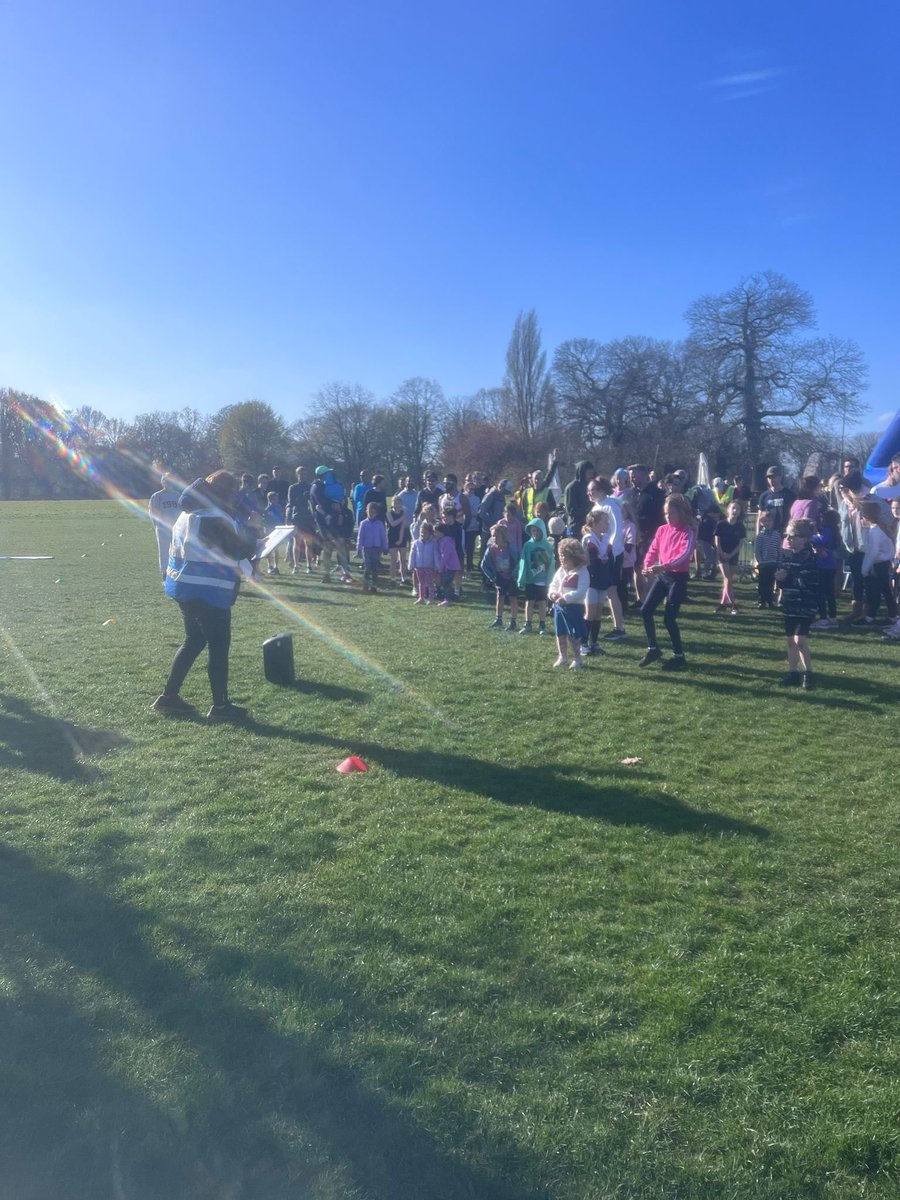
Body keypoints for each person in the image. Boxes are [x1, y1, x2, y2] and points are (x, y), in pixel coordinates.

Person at [153, 470, 258, 722]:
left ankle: (168, 697)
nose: (236, 498)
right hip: (209, 590)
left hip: (183, 587)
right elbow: (242, 549)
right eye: (234, 493)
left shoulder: (187, 513)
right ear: (225, 493)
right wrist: (253, 529)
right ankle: (220, 707)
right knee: (218, 646)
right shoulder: (216, 517)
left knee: (194, 640)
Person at [637, 493, 696, 671]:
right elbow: (653, 549)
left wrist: (663, 566)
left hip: (678, 578)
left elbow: (684, 555)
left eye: (671, 514)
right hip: (663, 577)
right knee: (645, 610)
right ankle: (653, 648)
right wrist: (647, 566)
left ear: (681, 513)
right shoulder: (662, 530)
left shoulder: (688, 532)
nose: (668, 517)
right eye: (666, 514)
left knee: (669, 618)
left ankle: (679, 655)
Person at [774, 518, 819, 688]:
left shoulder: (810, 558)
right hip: (790, 603)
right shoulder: (788, 557)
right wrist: (780, 580)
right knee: (790, 641)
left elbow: (808, 581)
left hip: (805, 604)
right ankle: (793, 672)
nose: (788, 539)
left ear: (804, 538)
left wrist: (789, 576)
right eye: (787, 536)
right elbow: (786, 581)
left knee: (799, 639)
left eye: (792, 536)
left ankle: (808, 673)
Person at [586, 476, 627, 639]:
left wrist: (610, 552)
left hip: (612, 554)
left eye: (592, 490)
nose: (589, 494)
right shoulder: (596, 506)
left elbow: (617, 530)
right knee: (604, 591)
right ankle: (600, 624)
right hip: (601, 554)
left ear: (602, 490)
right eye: (588, 491)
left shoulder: (611, 505)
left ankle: (619, 628)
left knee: (611, 591)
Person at [548, 537, 589, 669]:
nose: (562, 558)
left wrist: (566, 598)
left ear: (574, 557)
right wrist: (552, 594)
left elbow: (581, 590)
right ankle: (562, 656)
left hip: (574, 608)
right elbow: (553, 585)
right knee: (560, 633)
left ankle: (577, 658)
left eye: (565, 556)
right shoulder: (561, 571)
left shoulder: (582, 572)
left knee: (574, 634)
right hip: (559, 607)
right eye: (560, 555)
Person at [854, 500, 898, 626]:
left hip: (878, 565)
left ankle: (870, 617)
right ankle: (892, 615)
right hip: (883, 564)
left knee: (873, 592)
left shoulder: (875, 532)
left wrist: (864, 569)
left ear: (867, 517)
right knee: (886, 591)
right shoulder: (878, 529)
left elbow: (872, 553)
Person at [581, 508, 614, 656]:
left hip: (602, 580)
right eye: (604, 521)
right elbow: (591, 561)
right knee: (590, 613)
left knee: (598, 613)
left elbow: (609, 560)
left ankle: (594, 642)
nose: (607, 524)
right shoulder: (589, 539)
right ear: (594, 523)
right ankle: (583, 643)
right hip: (591, 581)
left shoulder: (605, 539)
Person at [517, 517, 553, 635]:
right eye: (533, 531)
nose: (536, 533)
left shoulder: (547, 545)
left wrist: (550, 579)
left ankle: (542, 625)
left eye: (538, 531)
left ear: (542, 531)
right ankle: (528, 624)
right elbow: (523, 562)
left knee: (542, 602)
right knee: (529, 602)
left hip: (542, 580)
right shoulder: (527, 545)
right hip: (530, 579)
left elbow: (551, 563)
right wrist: (521, 578)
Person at [481, 524, 520, 630]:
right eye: (493, 536)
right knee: (500, 597)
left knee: (513, 598)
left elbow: (519, 562)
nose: (494, 538)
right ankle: (498, 619)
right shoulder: (491, 550)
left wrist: (515, 575)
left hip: (511, 577)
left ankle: (513, 621)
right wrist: (492, 577)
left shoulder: (511, 549)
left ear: (504, 537)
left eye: (496, 536)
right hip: (499, 577)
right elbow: (483, 565)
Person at [810, 509, 841, 630]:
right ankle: (833, 617)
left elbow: (820, 540)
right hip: (830, 565)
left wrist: (811, 535)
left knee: (821, 592)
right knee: (829, 593)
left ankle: (823, 618)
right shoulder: (832, 531)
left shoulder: (827, 531)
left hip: (824, 565)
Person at [715, 501, 746, 615]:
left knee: (727, 581)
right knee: (728, 579)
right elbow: (717, 541)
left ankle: (722, 604)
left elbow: (740, 543)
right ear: (728, 510)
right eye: (733, 508)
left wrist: (732, 554)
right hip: (722, 555)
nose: (735, 511)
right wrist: (721, 553)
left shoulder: (740, 526)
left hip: (733, 555)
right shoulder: (721, 524)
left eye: (737, 509)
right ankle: (734, 605)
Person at [148, 473, 182, 578]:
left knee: (177, 550)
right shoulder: (157, 496)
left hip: (176, 528)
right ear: (162, 482)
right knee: (164, 550)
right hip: (163, 527)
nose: (168, 483)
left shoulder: (177, 495)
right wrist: (156, 526)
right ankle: (164, 573)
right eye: (166, 481)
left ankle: (176, 571)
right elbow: (153, 513)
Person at [286, 465, 317, 574]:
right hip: (297, 517)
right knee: (297, 542)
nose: (303, 476)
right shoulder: (293, 487)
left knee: (308, 543)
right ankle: (296, 565)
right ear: (297, 475)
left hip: (308, 517)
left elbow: (314, 502)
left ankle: (309, 566)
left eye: (304, 474)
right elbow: (291, 502)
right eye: (301, 474)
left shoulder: (310, 486)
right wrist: (301, 497)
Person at [356, 502, 388, 593]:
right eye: (370, 512)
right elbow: (360, 537)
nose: (371, 514)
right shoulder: (363, 523)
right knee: (367, 567)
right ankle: (365, 586)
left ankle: (374, 587)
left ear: (376, 513)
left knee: (375, 568)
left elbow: (383, 536)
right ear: (366, 511)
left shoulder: (379, 524)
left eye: (373, 512)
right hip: (367, 548)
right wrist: (358, 548)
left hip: (377, 549)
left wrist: (385, 547)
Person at [753, 510, 781, 609]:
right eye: (765, 521)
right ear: (761, 522)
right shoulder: (760, 536)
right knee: (762, 583)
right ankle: (762, 601)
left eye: (769, 521)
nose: (767, 523)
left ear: (773, 522)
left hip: (773, 563)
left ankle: (770, 601)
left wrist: (779, 561)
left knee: (770, 583)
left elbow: (778, 548)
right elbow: (757, 550)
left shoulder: (776, 535)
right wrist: (760, 561)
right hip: (763, 563)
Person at [756, 466, 795, 534]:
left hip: (784, 533)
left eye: (773, 477)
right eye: (769, 477)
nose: (771, 479)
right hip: (768, 533)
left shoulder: (790, 495)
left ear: (780, 477)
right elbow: (760, 517)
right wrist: (758, 534)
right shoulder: (764, 496)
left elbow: (794, 515)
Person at [408, 522, 441, 604]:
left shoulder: (433, 543)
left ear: (430, 533)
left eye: (425, 532)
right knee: (421, 583)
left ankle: (431, 599)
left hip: (429, 566)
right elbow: (412, 554)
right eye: (421, 532)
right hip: (419, 567)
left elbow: (436, 555)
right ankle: (421, 598)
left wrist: (438, 566)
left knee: (430, 583)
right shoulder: (416, 543)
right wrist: (411, 565)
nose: (422, 534)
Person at [563, 460, 595, 534]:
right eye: (589, 473)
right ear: (582, 473)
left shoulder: (591, 486)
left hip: (590, 527)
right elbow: (571, 510)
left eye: (592, 473)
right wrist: (589, 510)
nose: (591, 476)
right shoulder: (572, 488)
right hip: (575, 528)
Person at [386, 493, 411, 585]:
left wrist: (400, 539)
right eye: (395, 502)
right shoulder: (389, 513)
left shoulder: (403, 514)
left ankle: (404, 578)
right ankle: (392, 578)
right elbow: (393, 524)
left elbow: (402, 528)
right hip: (392, 536)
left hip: (402, 536)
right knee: (393, 559)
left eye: (398, 502)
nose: (396, 504)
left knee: (403, 559)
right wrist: (403, 517)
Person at [262, 490, 285, 575]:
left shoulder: (279, 507)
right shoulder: (268, 509)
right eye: (274, 499)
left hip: (277, 530)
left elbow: (281, 518)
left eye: (277, 499)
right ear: (270, 500)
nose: (276, 501)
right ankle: (270, 565)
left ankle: (276, 566)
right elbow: (265, 522)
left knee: (276, 548)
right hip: (269, 530)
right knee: (269, 549)